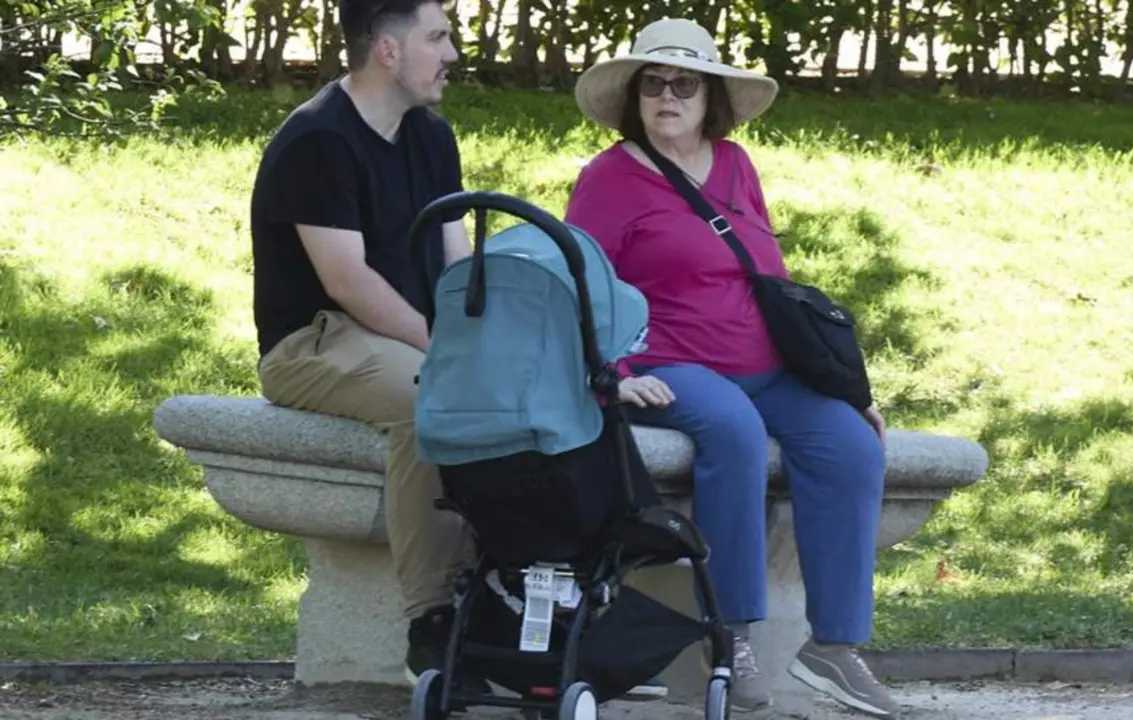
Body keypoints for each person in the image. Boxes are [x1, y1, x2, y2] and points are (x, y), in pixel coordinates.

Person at [564, 17, 900, 719]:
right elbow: (579, 285)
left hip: (767, 364)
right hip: (666, 360)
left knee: (850, 442)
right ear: (633, 96)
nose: (667, 96)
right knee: (734, 431)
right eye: (653, 83)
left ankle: (834, 645)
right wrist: (611, 371)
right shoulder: (608, 179)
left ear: (709, 97)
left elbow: (770, 278)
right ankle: (732, 636)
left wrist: (841, 386)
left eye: (684, 84)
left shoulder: (736, 164)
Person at [247, 0, 486, 691]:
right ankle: (432, 620)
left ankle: (510, 594)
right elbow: (348, 282)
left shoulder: (431, 136)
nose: (451, 54)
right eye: (437, 37)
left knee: (502, 390)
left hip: (401, 335)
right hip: (313, 343)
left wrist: (487, 344)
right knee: (430, 398)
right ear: (388, 50)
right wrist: (446, 351)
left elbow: (457, 261)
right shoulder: (318, 140)